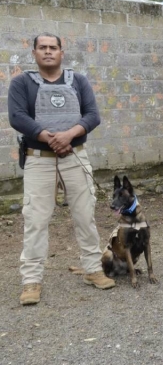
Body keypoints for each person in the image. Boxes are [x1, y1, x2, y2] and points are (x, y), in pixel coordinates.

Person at [8, 32, 115, 306]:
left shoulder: (78, 80)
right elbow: (17, 117)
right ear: (34, 52)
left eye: (52, 47)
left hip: (75, 157)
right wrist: (50, 137)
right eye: (42, 48)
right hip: (38, 160)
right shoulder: (22, 83)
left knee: (85, 215)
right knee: (35, 220)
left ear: (61, 52)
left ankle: (92, 270)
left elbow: (92, 115)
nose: (47, 52)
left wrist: (68, 135)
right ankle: (31, 280)